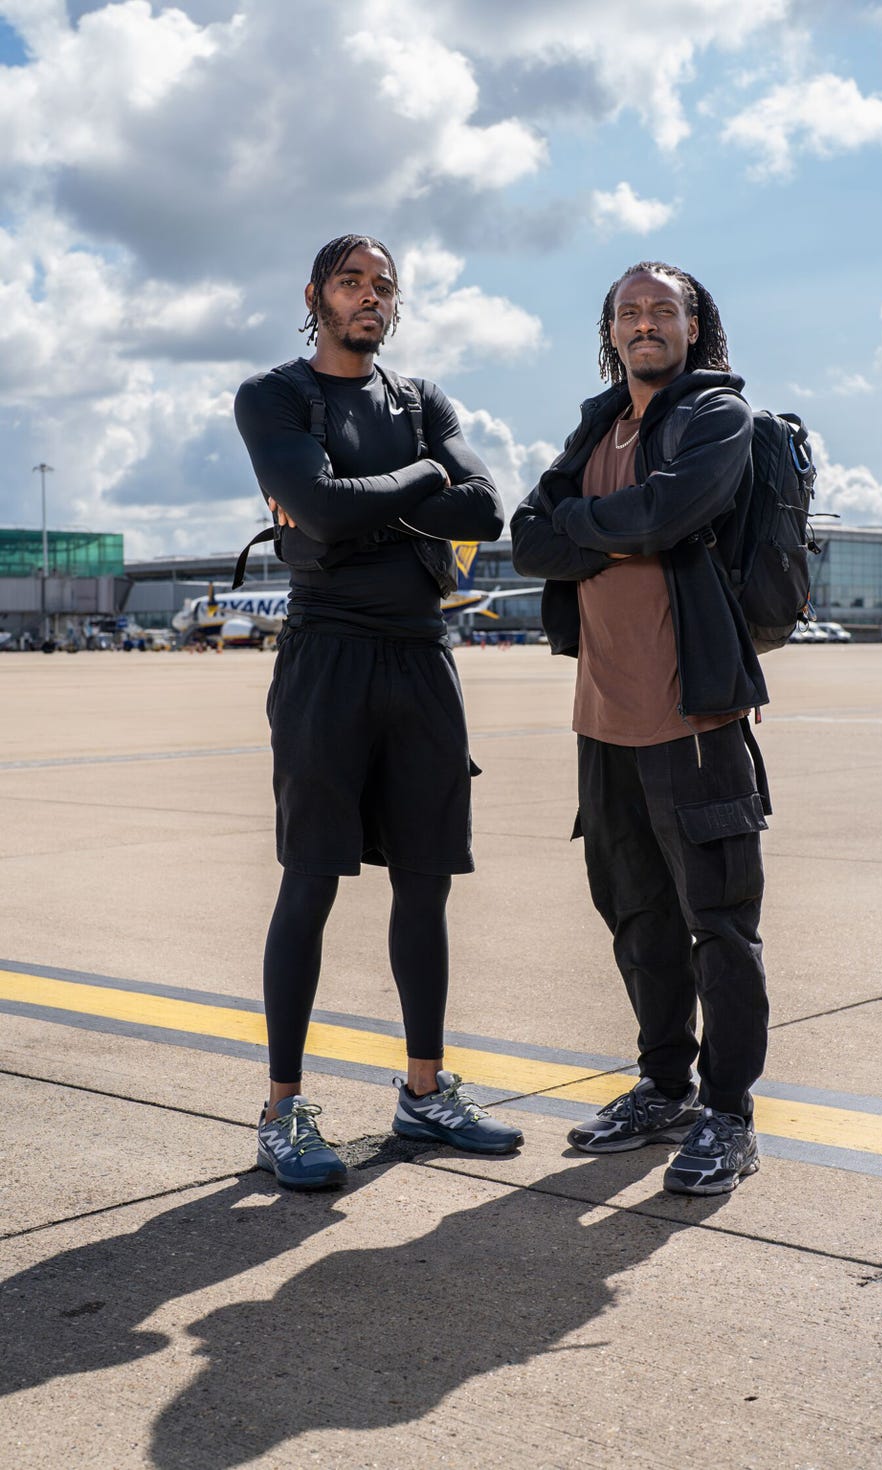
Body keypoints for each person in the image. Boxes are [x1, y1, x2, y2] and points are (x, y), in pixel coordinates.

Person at [235, 234, 523, 1190]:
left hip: (422, 659)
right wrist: (422, 481)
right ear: (315, 294)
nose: (370, 297)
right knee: (310, 880)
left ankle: (424, 1093)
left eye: (384, 286)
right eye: (352, 282)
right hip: (327, 659)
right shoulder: (275, 396)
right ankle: (281, 1111)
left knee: (426, 881)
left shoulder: (420, 399)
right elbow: (320, 509)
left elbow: (486, 509)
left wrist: (367, 503)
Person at [511, 261, 771, 1195]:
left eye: (665, 309)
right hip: (602, 719)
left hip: (692, 713)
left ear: (695, 326)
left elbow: (669, 512)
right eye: (630, 311)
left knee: (719, 923)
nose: (646, 322)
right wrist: (611, 530)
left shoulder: (718, 416)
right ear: (611, 331)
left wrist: (586, 527)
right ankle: (664, 1085)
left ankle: (728, 1113)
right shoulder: (596, 424)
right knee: (636, 916)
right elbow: (527, 538)